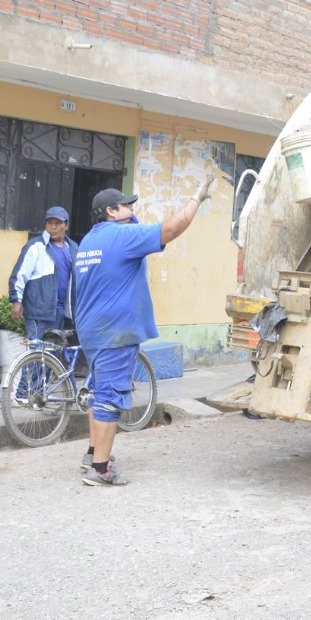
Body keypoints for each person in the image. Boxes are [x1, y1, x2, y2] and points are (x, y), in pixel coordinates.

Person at [73, 178, 214, 487]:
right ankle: (100, 470)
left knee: (98, 391)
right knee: (110, 397)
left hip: (92, 331)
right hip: (115, 332)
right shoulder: (122, 237)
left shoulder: (88, 241)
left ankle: (93, 453)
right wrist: (195, 199)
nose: (132, 209)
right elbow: (171, 229)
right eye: (126, 205)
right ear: (111, 211)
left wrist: (128, 216)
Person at [8, 205, 78, 342]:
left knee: (53, 354)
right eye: (50, 223)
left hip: (62, 311)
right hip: (39, 312)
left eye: (58, 223)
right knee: (38, 352)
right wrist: (16, 301)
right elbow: (19, 275)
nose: (53, 227)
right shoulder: (35, 246)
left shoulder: (73, 248)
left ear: (67, 226)